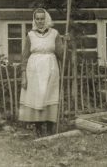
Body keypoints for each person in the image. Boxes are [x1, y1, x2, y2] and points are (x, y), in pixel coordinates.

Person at [19, 8, 64, 136]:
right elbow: (25, 56)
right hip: (34, 70)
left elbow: (61, 53)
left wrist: (65, 44)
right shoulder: (30, 35)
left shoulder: (55, 33)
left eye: (42, 18)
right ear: (34, 20)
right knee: (37, 97)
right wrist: (23, 75)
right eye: (37, 19)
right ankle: (38, 129)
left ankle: (50, 129)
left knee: (49, 95)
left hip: (51, 68)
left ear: (46, 19)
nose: (40, 21)